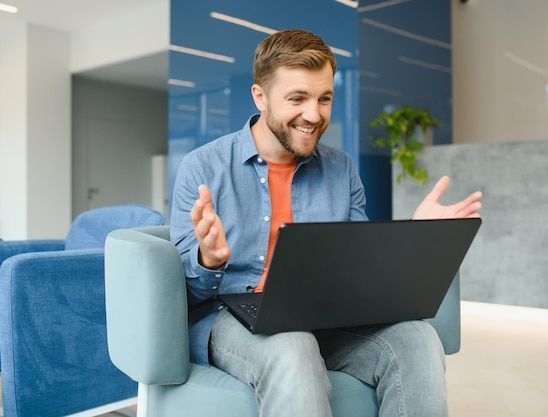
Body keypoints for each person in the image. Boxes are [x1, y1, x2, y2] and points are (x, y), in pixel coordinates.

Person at [170, 29, 482, 417]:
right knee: (291, 341)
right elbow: (185, 294)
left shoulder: (341, 168)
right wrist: (209, 259)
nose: (314, 115)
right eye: (297, 98)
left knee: (418, 339)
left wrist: (415, 235)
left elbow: (360, 269)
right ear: (260, 96)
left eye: (325, 99)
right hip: (231, 318)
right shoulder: (202, 166)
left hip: (324, 316)